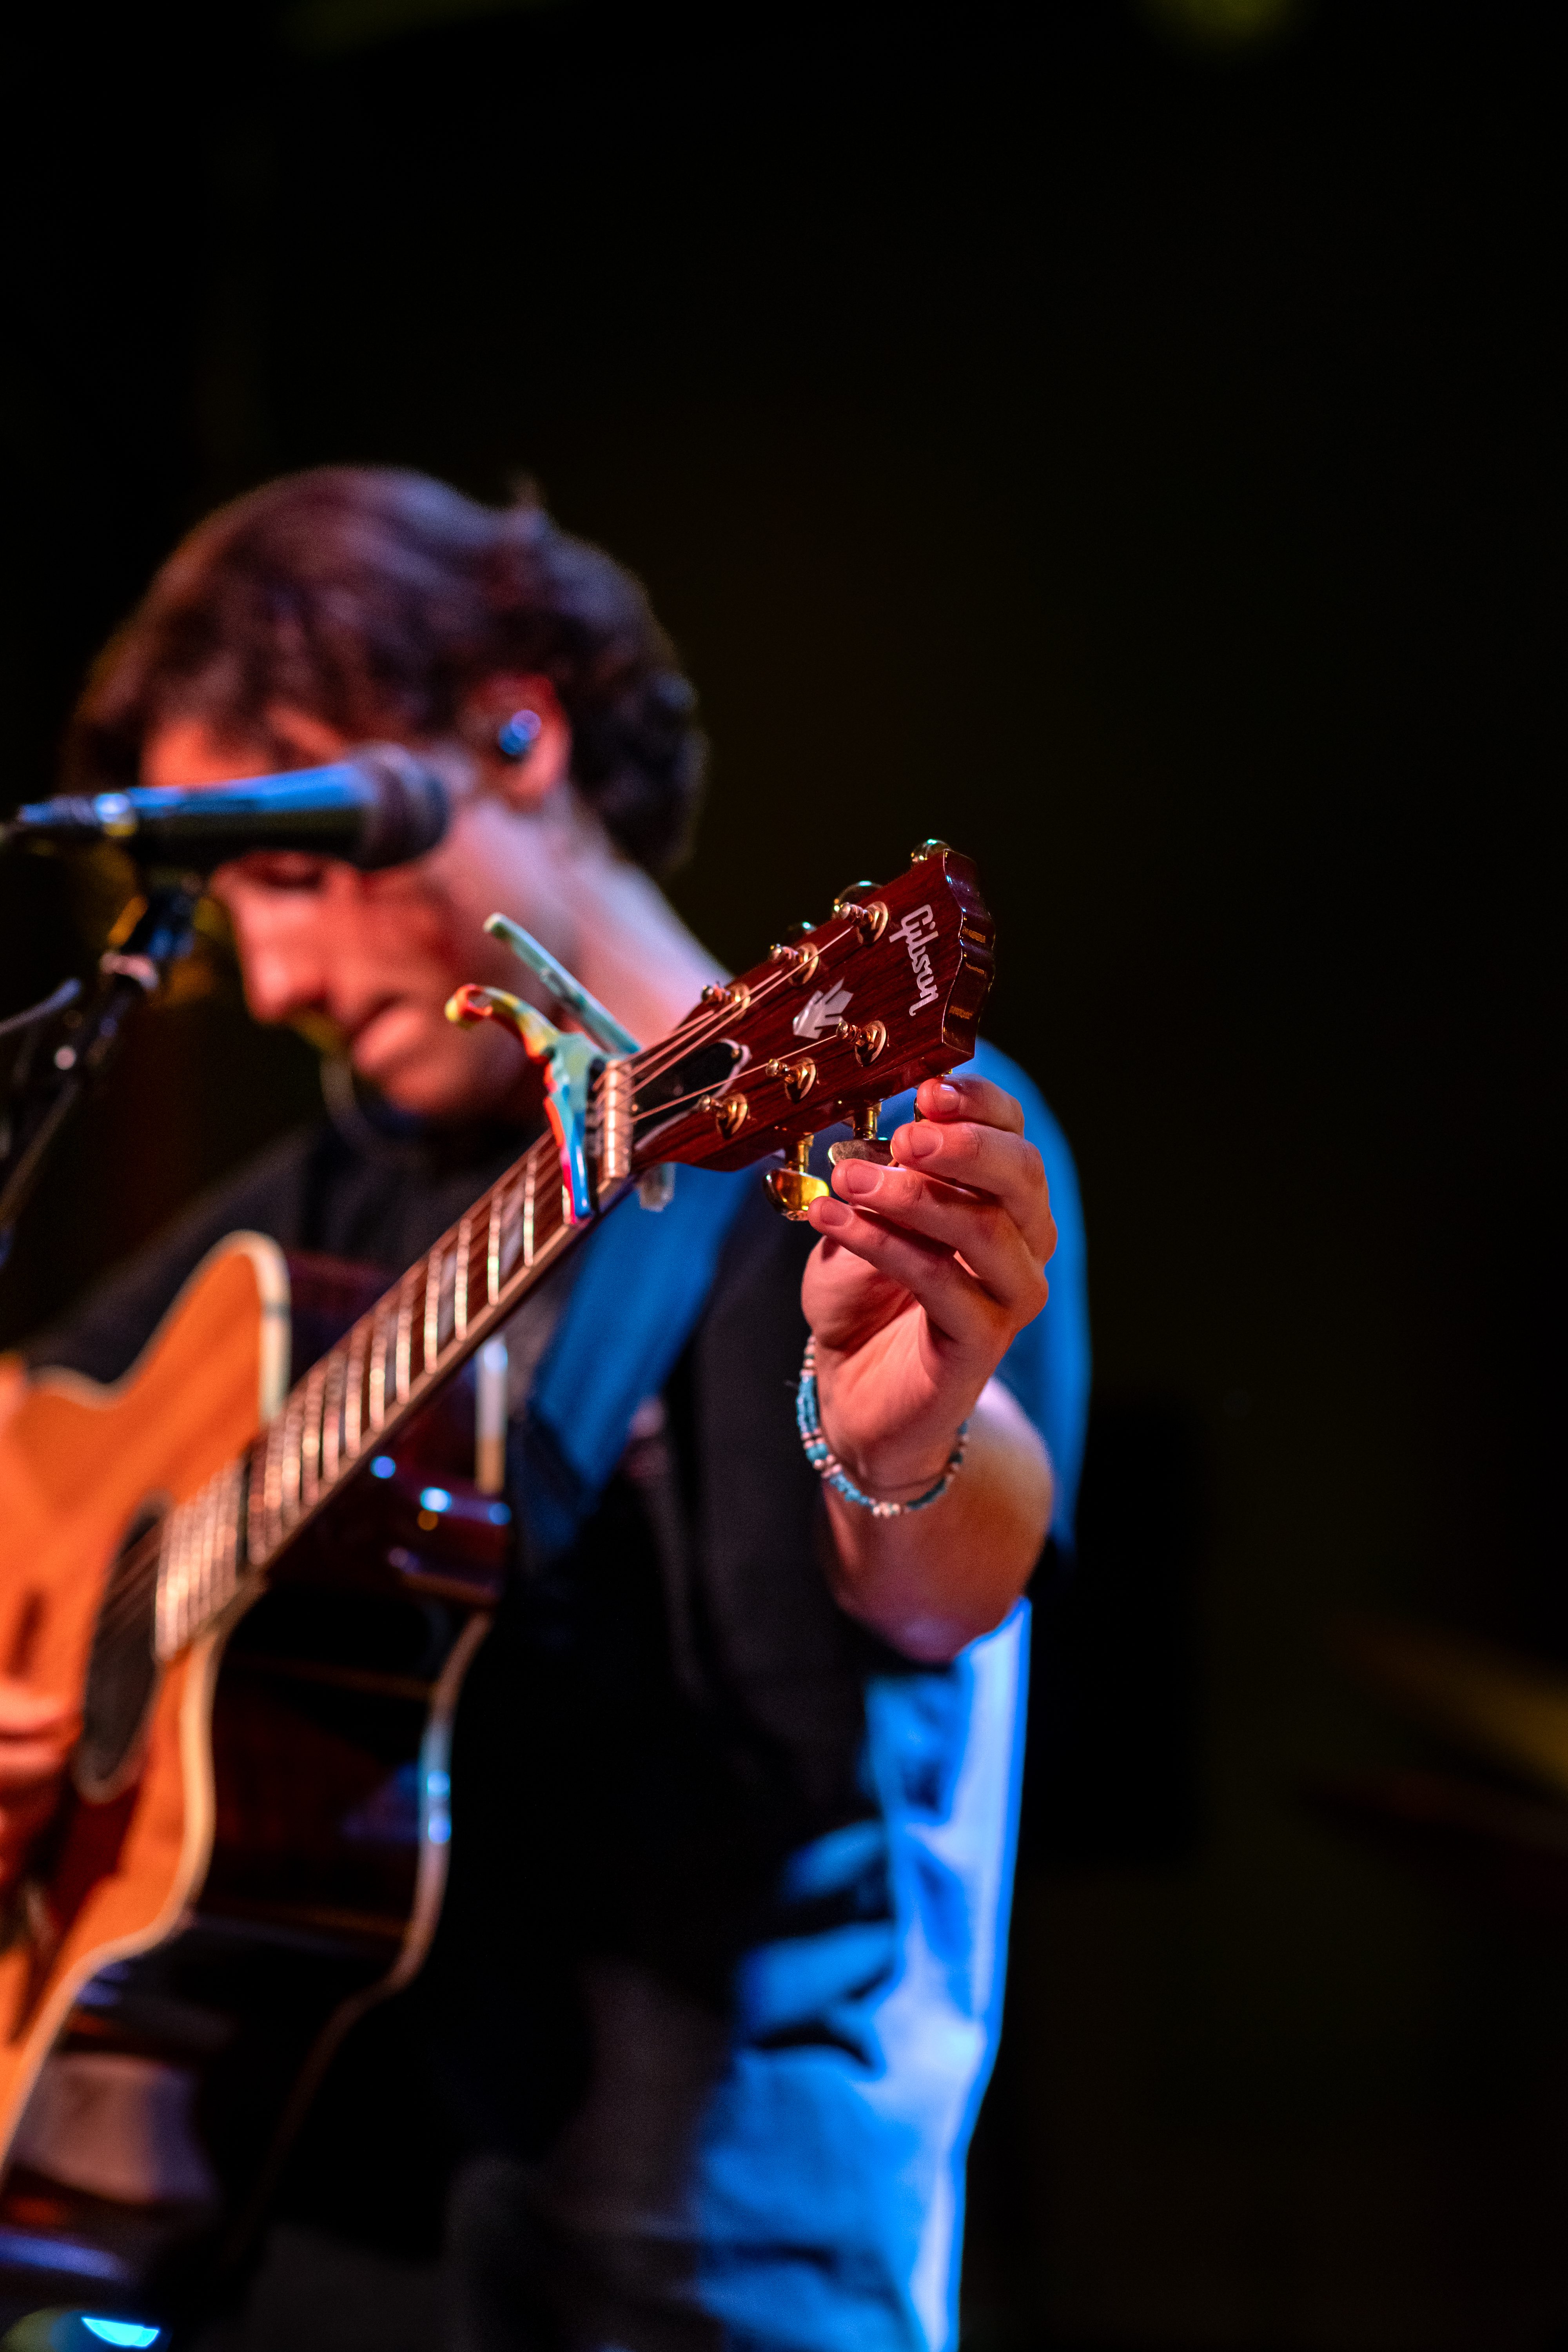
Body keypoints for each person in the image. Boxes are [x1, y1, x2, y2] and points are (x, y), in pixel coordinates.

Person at [0, 469, 1089, 2352]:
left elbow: (946, 1592)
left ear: (516, 730)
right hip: (290, 2234)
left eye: (289, 864)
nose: (269, 977)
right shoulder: (326, 1210)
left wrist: (900, 1442)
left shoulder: (857, 1128)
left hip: (688, 2263)